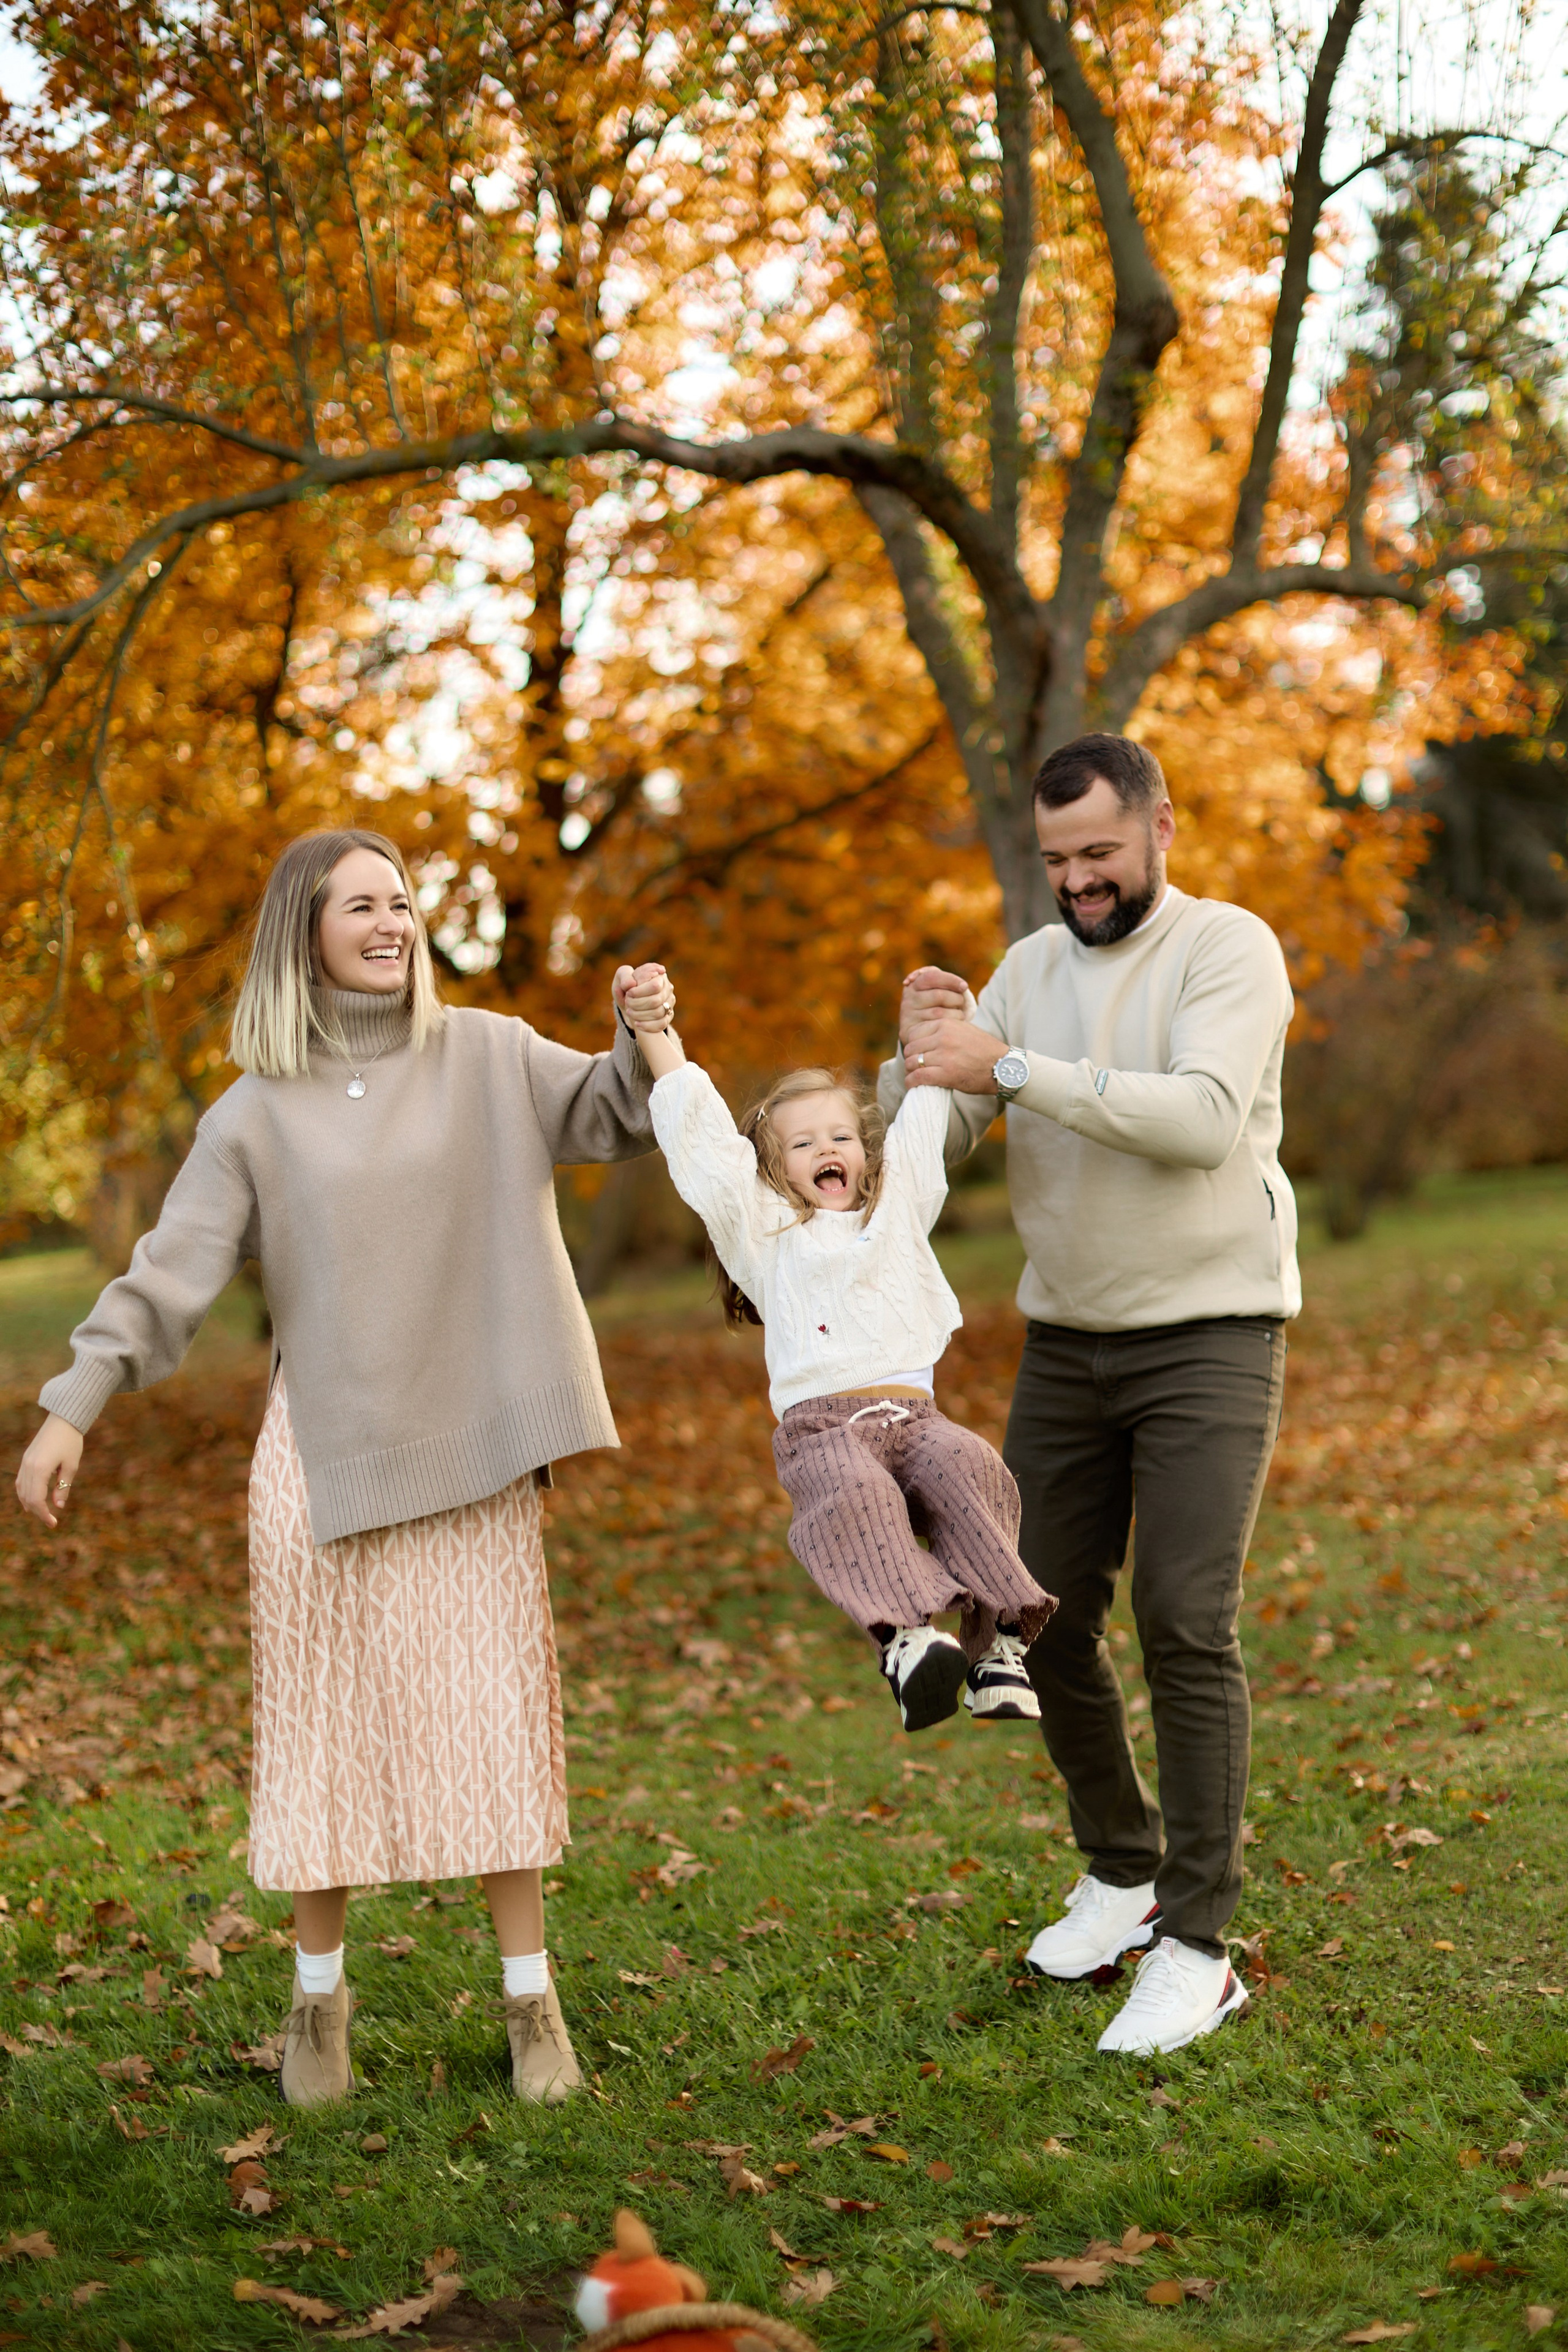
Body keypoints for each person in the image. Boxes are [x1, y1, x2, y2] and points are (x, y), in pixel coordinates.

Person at [15, 827, 673, 2108]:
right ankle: (318, 2010)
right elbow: (169, 1277)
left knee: (488, 1733)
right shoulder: (252, 1112)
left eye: (403, 901)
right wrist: (73, 1404)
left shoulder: (483, 1052)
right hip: (319, 1463)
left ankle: (532, 2003)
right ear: (302, 933)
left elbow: (613, 1112)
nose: (391, 922)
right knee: (322, 1739)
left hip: (474, 1454)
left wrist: (641, 1030)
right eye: (360, 904)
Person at [881, 731, 1297, 2057]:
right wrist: (912, 1067)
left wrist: (1001, 1066)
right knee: (1035, 1615)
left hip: (1210, 1335)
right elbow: (929, 1148)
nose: (1078, 881)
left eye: (1100, 853)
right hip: (1067, 1345)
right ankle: (1120, 1873)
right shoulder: (1022, 972)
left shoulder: (1227, 949)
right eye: (1057, 859)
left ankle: (1195, 1943)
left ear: (1158, 826)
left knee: (1185, 1616)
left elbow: (1195, 1120)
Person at [628, 1009, 1055, 1728]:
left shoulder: (898, 1212)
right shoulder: (762, 1230)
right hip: (824, 1431)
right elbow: (700, 1139)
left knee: (971, 1463)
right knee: (856, 1493)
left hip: (916, 1419)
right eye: (802, 1143)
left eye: (840, 1136)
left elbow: (922, 1119)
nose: (827, 1148)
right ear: (772, 1167)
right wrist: (652, 1031)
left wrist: (936, 1032)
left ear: (863, 1151)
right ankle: (907, 1642)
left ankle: (995, 1654)